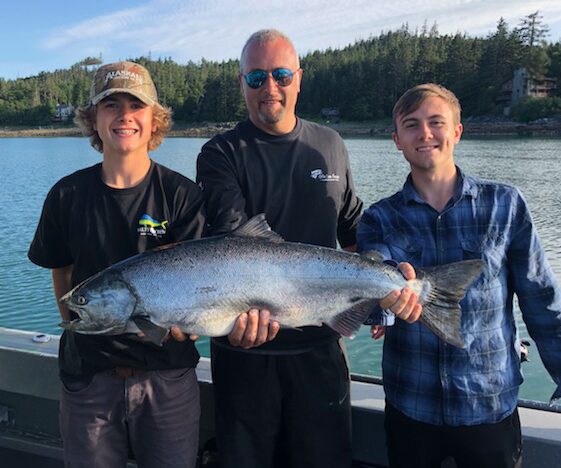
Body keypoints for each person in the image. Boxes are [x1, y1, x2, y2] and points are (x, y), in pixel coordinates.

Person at [195, 29, 420, 468]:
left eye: (280, 74)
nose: (270, 88)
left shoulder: (330, 145)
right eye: (256, 77)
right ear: (242, 83)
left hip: (322, 348)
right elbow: (232, 240)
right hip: (245, 354)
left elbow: (354, 227)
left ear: (299, 78)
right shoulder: (220, 152)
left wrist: (385, 294)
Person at [357, 83, 561, 468]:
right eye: (412, 125)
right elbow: (377, 299)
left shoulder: (506, 204)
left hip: (489, 405)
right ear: (397, 139)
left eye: (436, 122)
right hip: (410, 404)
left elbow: (542, 302)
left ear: (457, 131)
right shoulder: (379, 217)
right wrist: (386, 300)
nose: (426, 134)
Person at [28, 61, 205, 468]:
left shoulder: (183, 195)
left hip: (168, 378)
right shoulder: (66, 195)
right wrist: (81, 321)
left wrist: (194, 325)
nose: (125, 116)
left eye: (136, 106)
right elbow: (62, 271)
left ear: (154, 118)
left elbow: (204, 281)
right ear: (93, 119)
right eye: (111, 106)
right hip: (88, 380)